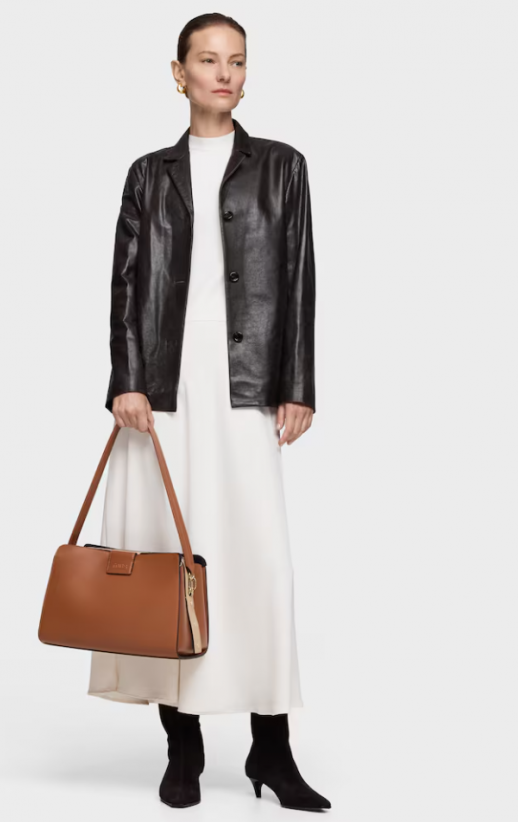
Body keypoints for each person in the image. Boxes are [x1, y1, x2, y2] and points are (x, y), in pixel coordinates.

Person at [86, 13, 330, 812]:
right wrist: (127, 380)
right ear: (179, 73)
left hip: (245, 383)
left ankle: (273, 750)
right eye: (208, 60)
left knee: (256, 560)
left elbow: (298, 278)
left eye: (237, 62)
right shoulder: (148, 174)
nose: (225, 74)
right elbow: (126, 284)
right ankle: (182, 745)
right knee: (170, 561)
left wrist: (297, 383)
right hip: (162, 390)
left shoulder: (282, 167)